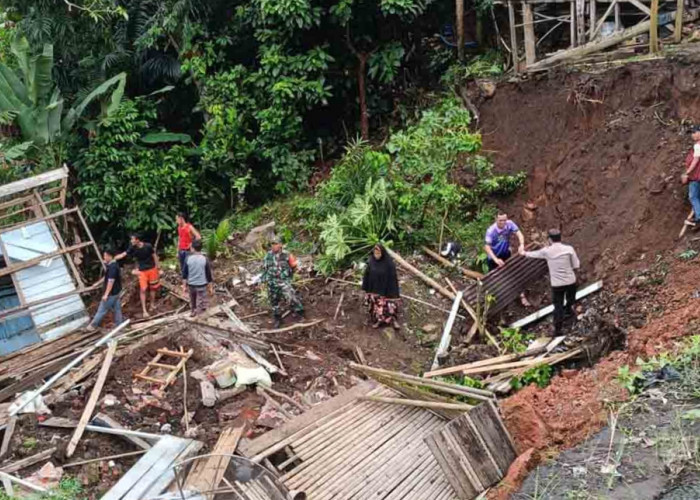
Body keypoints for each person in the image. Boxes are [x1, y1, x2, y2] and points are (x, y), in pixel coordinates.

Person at [520, 229, 580, 336]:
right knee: (571, 299)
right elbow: (576, 265)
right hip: (571, 281)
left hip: (557, 285)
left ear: (550, 239)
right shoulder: (569, 249)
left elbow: (533, 254)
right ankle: (569, 311)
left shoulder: (546, 251)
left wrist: (523, 252)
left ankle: (558, 330)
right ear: (560, 238)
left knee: (558, 306)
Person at [115, 234, 161, 318]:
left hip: (152, 269)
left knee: (153, 288)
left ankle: (152, 305)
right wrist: (113, 259)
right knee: (143, 289)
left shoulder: (148, 246)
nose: (131, 241)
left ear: (137, 240)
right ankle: (144, 310)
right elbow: (123, 254)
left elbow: (154, 256)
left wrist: (158, 268)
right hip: (142, 271)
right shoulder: (132, 248)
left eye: (132, 239)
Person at [261, 239, 303, 328]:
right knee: (274, 302)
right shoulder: (268, 255)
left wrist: (288, 276)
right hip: (271, 282)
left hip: (283, 281)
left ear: (280, 244)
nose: (273, 246)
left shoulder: (287, 255)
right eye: (272, 244)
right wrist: (263, 280)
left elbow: (295, 266)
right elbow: (265, 268)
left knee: (291, 297)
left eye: (275, 244)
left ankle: (299, 313)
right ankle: (278, 319)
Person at [362, 244, 401, 330]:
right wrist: (366, 287)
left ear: (382, 253)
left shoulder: (389, 264)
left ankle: (393, 321)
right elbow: (367, 275)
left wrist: (391, 290)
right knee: (378, 305)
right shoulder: (371, 261)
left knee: (390, 306)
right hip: (376, 289)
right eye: (375, 253)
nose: (377, 255)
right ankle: (378, 321)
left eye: (378, 253)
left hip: (387, 289)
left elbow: (393, 278)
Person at [86, 248, 124, 331]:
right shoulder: (113, 265)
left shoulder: (112, 268)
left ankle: (92, 326)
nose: (104, 258)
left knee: (102, 309)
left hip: (111, 293)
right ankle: (119, 325)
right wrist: (97, 283)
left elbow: (111, 281)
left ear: (110, 256)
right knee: (117, 309)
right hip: (116, 292)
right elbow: (107, 277)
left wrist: (106, 294)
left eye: (105, 256)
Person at [181, 239, 213, 317]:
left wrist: (184, 287)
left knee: (193, 300)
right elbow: (208, 275)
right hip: (202, 284)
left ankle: (193, 311)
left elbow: (184, 274)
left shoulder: (188, 259)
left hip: (191, 285)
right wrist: (210, 287)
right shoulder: (204, 259)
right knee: (202, 301)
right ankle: (201, 315)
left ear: (192, 248)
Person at [682, 126, 700, 227]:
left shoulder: (698, 146)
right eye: (691, 133)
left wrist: (687, 173)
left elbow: (695, 160)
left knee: (693, 196)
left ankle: (699, 217)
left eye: (694, 132)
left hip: (696, 177)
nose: (692, 135)